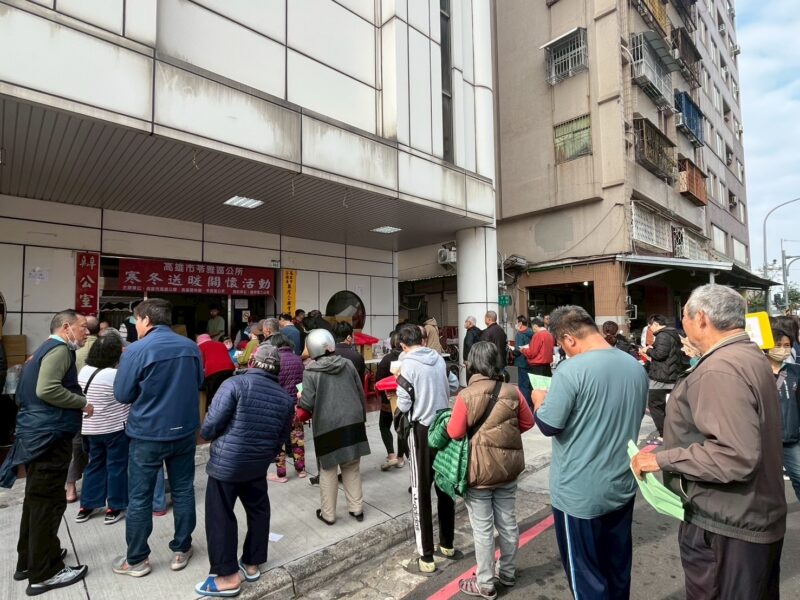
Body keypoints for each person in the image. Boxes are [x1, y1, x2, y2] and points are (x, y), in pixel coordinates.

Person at [631, 284, 787, 600]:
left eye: (684, 315)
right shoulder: (747, 354)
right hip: (749, 515)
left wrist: (660, 459)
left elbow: (734, 456)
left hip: (728, 524)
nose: (682, 324)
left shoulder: (720, 368)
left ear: (701, 318)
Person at [533, 306, 647, 599]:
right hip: (621, 485)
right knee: (617, 568)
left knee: (586, 578)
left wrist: (538, 401)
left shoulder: (571, 370)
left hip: (579, 493)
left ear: (569, 339)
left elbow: (549, 425)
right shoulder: (634, 366)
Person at [1, 310, 93, 595]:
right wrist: (81, 403)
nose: (86, 332)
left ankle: (29, 561)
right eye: (82, 327)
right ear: (66, 327)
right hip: (49, 438)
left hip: (36, 435)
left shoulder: (40, 352)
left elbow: (24, 394)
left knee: (36, 502)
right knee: (48, 504)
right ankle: (45, 572)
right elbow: (47, 389)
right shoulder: (60, 351)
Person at [112, 298, 204, 577]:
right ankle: (181, 549)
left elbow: (122, 394)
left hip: (147, 433)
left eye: (136, 320)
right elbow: (199, 382)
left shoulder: (136, 350)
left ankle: (137, 559)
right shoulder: (190, 347)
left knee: (140, 497)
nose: (135, 325)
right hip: (184, 430)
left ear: (146, 320)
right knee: (183, 490)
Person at [194, 343, 293, 597]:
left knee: (220, 515)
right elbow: (281, 439)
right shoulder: (285, 398)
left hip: (226, 464)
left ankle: (227, 576)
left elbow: (210, 427)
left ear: (251, 363)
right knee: (259, 511)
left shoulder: (234, 384)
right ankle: (251, 563)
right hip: (257, 465)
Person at [448, 342, 534, 599]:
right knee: (507, 523)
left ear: (472, 364)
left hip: (479, 472)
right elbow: (528, 422)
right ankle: (507, 572)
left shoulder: (466, 395)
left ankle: (485, 582)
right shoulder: (513, 391)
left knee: (483, 529)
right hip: (507, 469)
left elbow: (455, 432)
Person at [395, 323, 460, 573]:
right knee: (444, 485)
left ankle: (426, 556)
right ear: (422, 340)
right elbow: (453, 385)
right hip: (444, 426)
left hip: (421, 430)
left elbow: (403, 404)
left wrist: (399, 381)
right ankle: (447, 544)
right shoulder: (439, 359)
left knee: (420, 491)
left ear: (403, 344)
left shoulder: (406, 365)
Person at [297, 329, 370, 525]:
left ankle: (328, 514)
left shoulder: (310, 372)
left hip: (327, 425)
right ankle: (356, 508)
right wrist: (362, 419)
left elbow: (307, 404)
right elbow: (360, 392)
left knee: (328, 469)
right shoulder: (347, 364)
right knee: (351, 466)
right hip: (353, 422)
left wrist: (300, 399)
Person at [75, 334, 130, 525]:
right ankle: (114, 507)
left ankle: (87, 506)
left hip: (89, 429)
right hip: (114, 429)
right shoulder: (114, 375)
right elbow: (127, 398)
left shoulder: (84, 371)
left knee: (94, 465)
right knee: (116, 467)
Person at [66, 315, 100, 503]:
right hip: (101, 405)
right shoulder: (104, 348)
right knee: (98, 446)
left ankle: (70, 488)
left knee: (76, 446)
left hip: (77, 404)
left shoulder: (73, 350)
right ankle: (94, 486)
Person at [766, 325, 800, 501]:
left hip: (791, 438)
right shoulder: (757, 372)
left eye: (787, 345)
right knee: (766, 484)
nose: (783, 349)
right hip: (764, 440)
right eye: (778, 345)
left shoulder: (795, 371)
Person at [267, 333, 307, 482]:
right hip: (296, 406)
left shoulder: (275, 361)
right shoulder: (298, 359)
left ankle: (281, 474)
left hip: (279, 406)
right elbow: (302, 383)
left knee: (279, 441)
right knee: (297, 438)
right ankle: (301, 470)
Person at [641, 315, 685, 445]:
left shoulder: (662, 335)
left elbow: (660, 354)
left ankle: (664, 435)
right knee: (670, 407)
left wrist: (648, 350)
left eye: (650, 326)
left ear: (655, 324)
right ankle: (673, 433)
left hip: (661, 377)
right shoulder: (674, 334)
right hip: (672, 375)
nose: (650, 329)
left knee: (655, 405)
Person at [376, 332, 405, 471]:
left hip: (388, 401)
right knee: (402, 428)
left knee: (384, 426)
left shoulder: (386, 359)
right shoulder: (408, 359)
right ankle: (400, 458)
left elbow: (378, 381)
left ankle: (391, 454)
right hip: (405, 400)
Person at [196, 334, 235, 405]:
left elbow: (201, 363)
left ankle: (213, 409)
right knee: (228, 390)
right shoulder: (220, 344)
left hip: (213, 372)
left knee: (213, 394)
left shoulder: (200, 347)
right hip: (229, 369)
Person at [509, 316, 533, 408]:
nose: (515, 325)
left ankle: (525, 405)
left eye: (516, 322)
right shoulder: (532, 333)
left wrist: (512, 351)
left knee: (523, 385)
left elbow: (517, 350)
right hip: (531, 362)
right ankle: (531, 403)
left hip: (522, 362)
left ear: (520, 324)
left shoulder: (519, 334)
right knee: (530, 384)